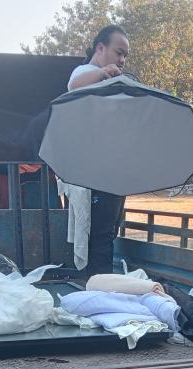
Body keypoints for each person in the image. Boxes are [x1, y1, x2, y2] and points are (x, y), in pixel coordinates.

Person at [61, 25, 131, 275]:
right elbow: (74, 85)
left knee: (108, 232)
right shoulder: (86, 72)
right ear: (100, 48)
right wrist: (102, 73)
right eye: (119, 52)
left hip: (112, 168)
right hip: (96, 172)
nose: (122, 60)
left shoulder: (110, 81)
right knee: (100, 236)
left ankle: (101, 285)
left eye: (125, 56)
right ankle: (99, 287)